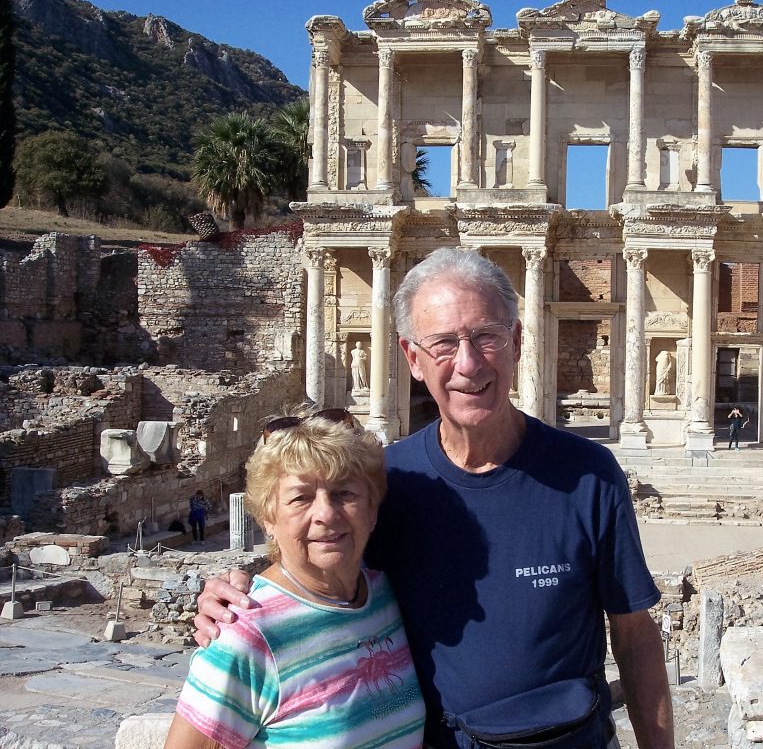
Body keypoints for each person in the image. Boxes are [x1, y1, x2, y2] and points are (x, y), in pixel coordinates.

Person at [195, 248, 673, 749]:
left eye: (486, 336)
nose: (467, 364)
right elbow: (317, 575)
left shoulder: (588, 476)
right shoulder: (386, 484)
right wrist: (234, 597)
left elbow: (635, 636)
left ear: (516, 341)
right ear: (412, 359)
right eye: (444, 343)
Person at [165, 411, 424, 748]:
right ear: (268, 518)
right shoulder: (244, 636)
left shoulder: (384, 596)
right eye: (301, 498)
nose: (326, 514)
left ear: (372, 510)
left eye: (345, 493)